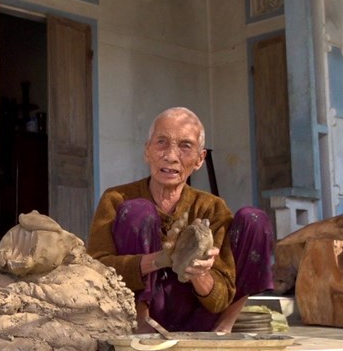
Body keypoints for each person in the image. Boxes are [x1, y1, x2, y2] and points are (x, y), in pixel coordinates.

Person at [86, 107, 275, 333]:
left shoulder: (212, 209)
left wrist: (198, 272)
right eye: (161, 142)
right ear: (147, 151)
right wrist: (160, 260)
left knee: (254, 219)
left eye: (185, 146)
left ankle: (224, 328)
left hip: (201, 319)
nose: (171, 156)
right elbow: (95, 268)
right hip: (134, 318)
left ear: (199, 159)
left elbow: (220, 298)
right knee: (137, 210)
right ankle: (141, 322)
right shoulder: (116, 199)